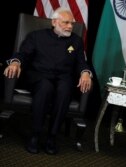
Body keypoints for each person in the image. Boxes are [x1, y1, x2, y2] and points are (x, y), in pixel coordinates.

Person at [3, 7, 92, 155]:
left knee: (64, 90)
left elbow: (81, 62)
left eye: (72, 23)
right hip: (39, 76)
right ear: (54, 22)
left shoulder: (76, 41)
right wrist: (15, 62)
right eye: (66, 22)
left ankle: (52, 137)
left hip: (64, 78)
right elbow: (23, 54)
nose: (70, 26)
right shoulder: (36, 36)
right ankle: (35, 135)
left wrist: (85, 73)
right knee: (45, 87)